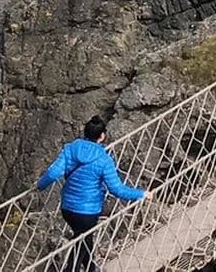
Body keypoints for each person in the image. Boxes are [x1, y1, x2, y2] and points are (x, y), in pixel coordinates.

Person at [37, 116, 152, 271]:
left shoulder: (71, 149)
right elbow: (117, 189)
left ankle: (91, 268)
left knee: (84, 237)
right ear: (102, 136)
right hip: (88, 212)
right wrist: (141, 194)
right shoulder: (104, 159)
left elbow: (52, 173)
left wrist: (39, 186)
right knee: (81, 243)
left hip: (67, 209)